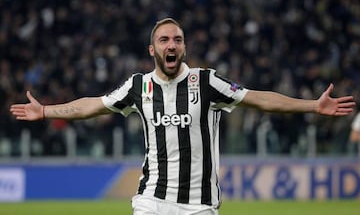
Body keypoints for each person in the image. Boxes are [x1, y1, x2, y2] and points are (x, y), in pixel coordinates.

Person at [10, 18, 356, 215]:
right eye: (164, 40)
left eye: (177, 39)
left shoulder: (206, 81)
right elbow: (92, 105)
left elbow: (259, 99)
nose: (171, 44)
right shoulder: (138, 86)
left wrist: (312, 105)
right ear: (153, 49)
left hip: (200, 205)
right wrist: (46, 111)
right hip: (151, 201)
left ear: (184, 47)